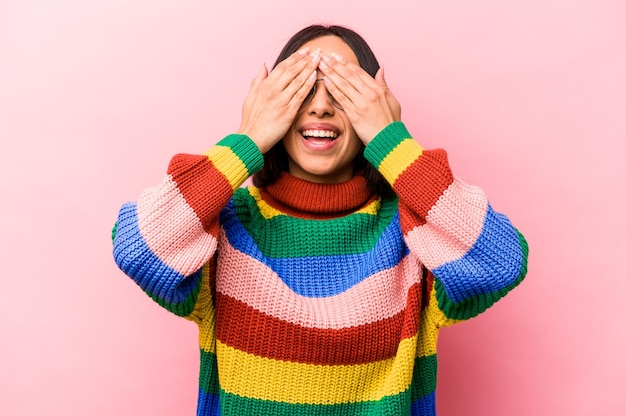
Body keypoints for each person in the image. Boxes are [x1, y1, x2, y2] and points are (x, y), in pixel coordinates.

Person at [112, 24, 528, 416]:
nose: (321, 106)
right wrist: (249, 137)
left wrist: (391, 139)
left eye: (342, 90)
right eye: (300, 90)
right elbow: (138, 247)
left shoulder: (414, 232)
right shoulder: (226, 225)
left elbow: (501, 261)